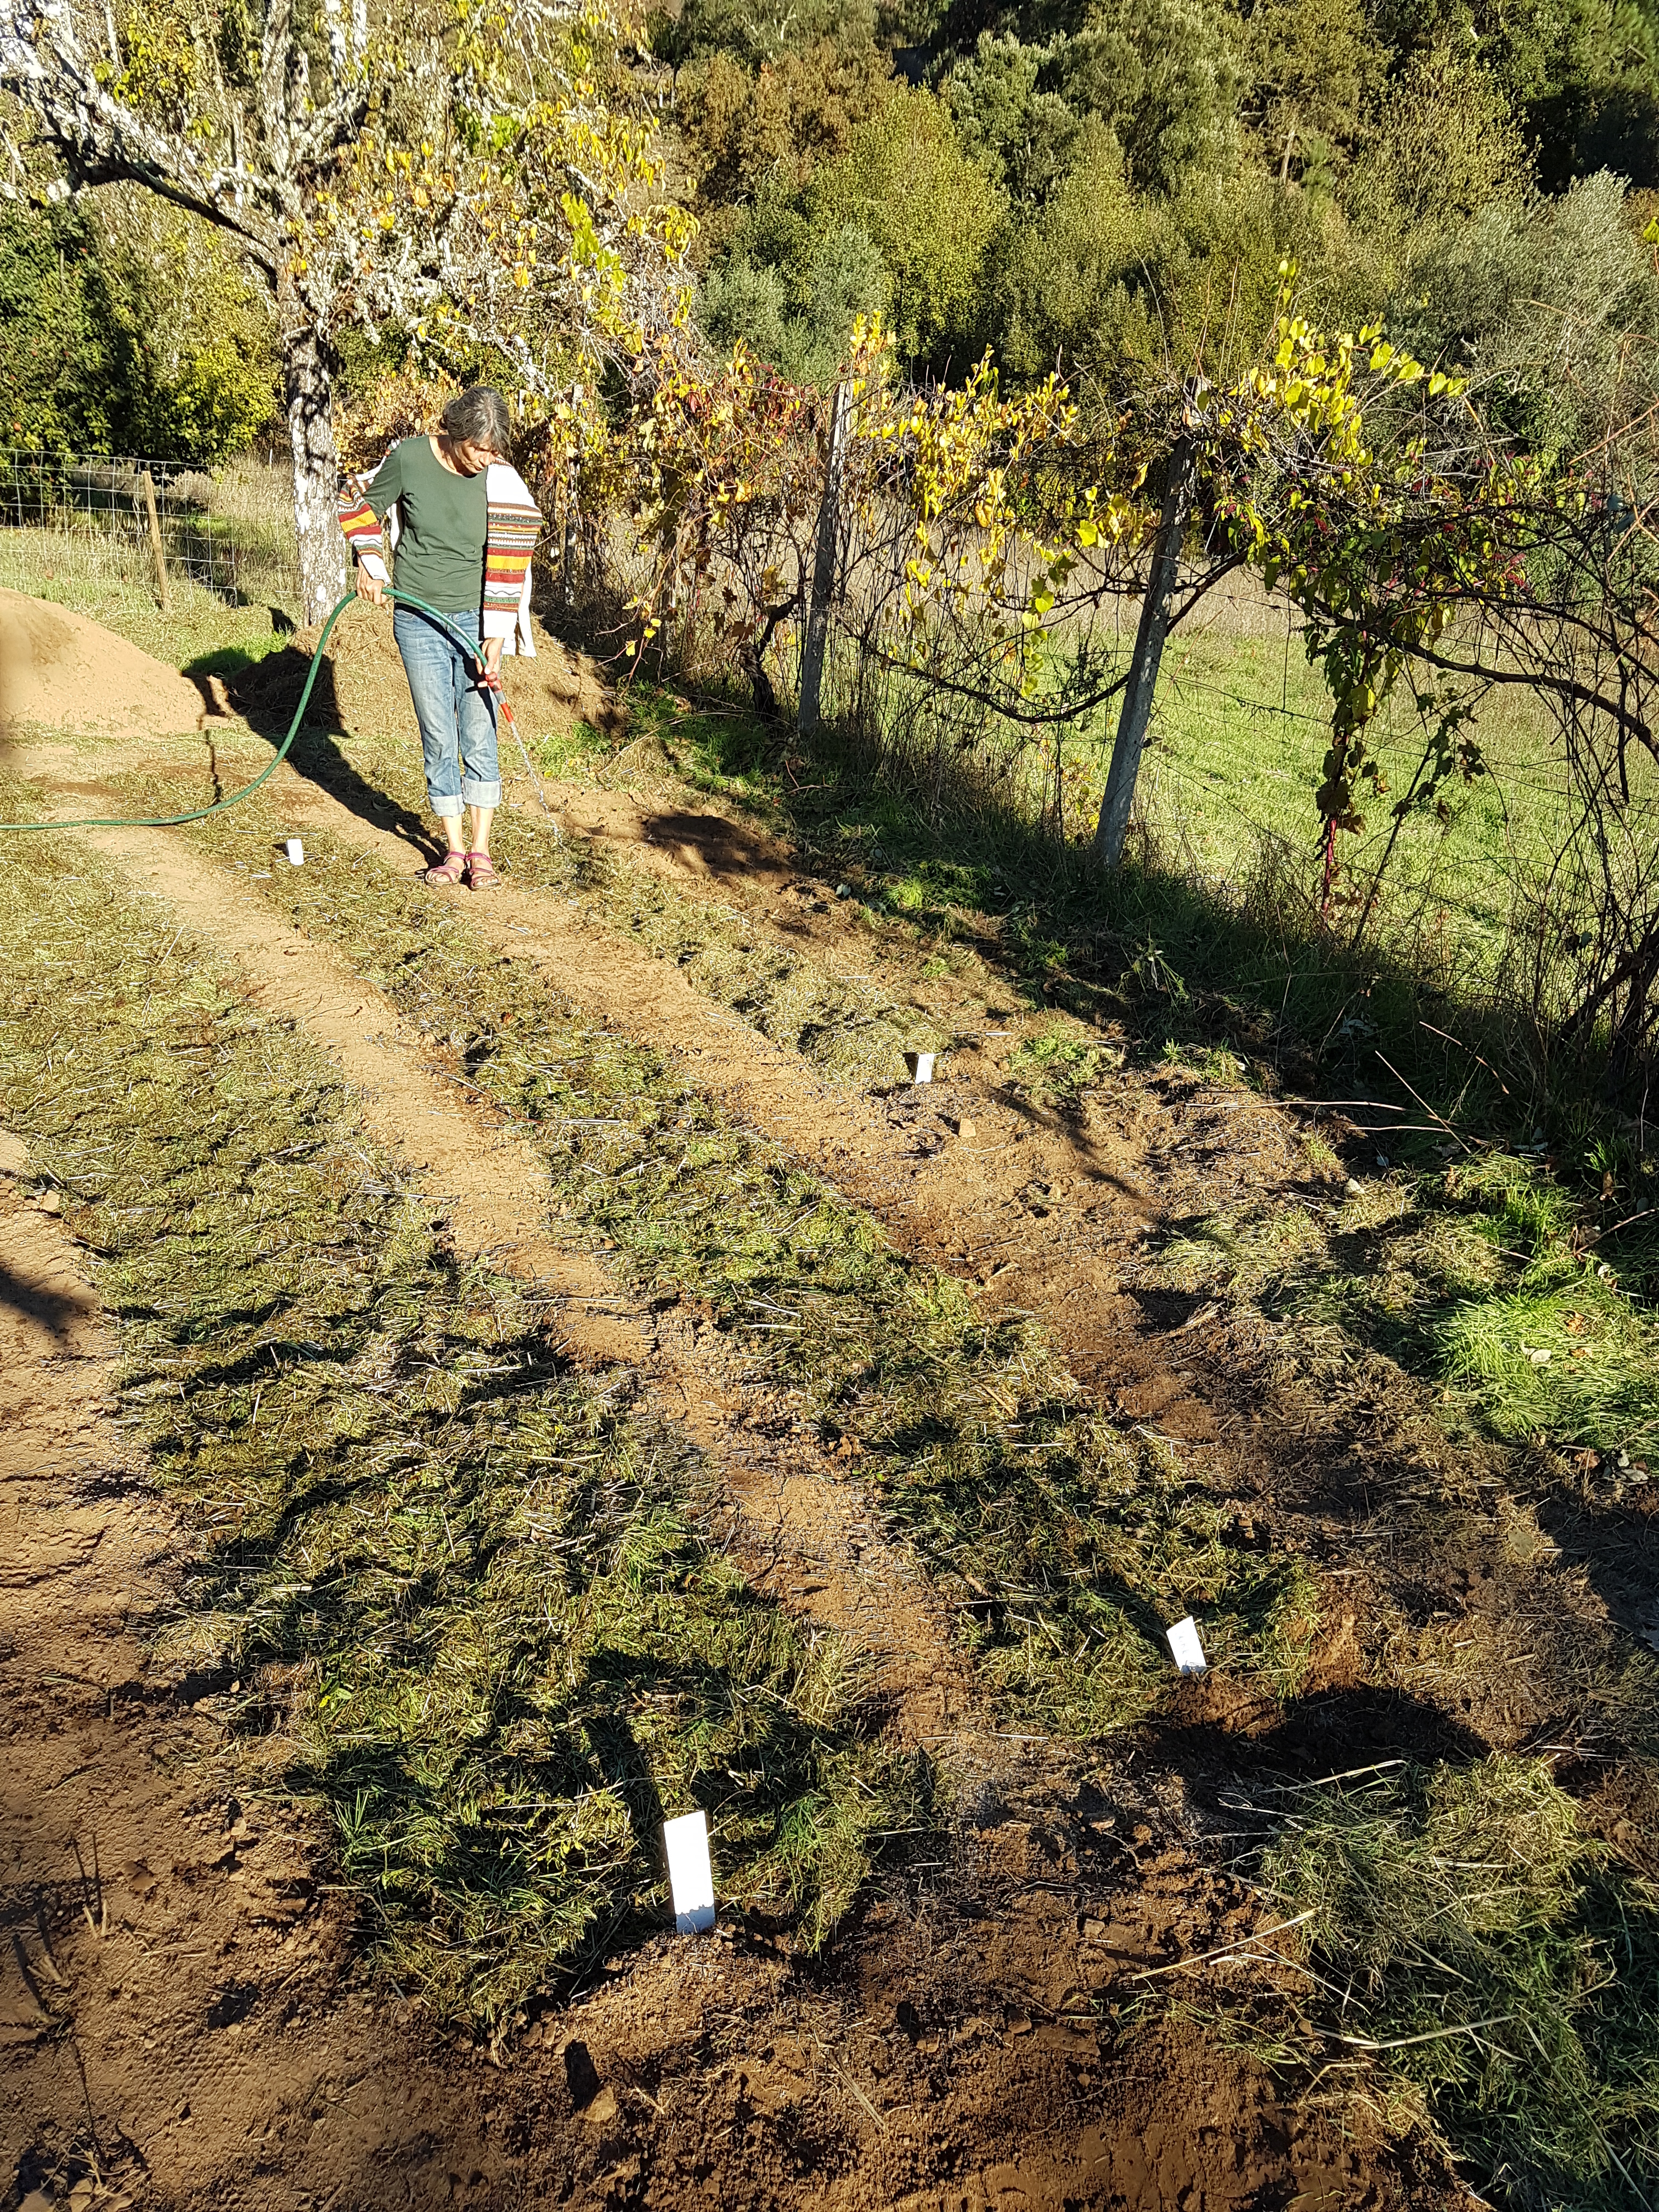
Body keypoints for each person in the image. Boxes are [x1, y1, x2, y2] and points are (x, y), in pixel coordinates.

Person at [338, 387, 541, 889]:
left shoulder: (499, 479)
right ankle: (453, 850)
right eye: (480, 449)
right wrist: (370, 564)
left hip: (478, 621)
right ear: (455, 434)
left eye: (495, 451)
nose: (488, 460)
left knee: (479, 731)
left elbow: (516, 553)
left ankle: (481, 851)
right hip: (418, 620)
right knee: (438, 736)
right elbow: (357, 503)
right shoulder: (409, 457)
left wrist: (498, 634)